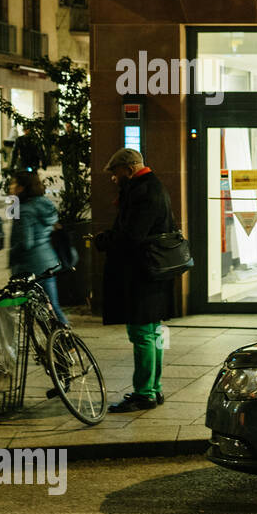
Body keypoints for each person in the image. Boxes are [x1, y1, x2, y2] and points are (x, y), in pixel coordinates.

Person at [95, 148, 178, 413]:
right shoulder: (154, 187)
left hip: (141, 275)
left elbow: (132, 236)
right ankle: (154, 388)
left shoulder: (142, 192)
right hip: (152, 272)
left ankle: (144, 393)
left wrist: (103, 240)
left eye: (115, 172)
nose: (113, 178)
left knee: (142, 333)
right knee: (151, 332)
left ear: (129, 169)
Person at [8, 171, 67, 325]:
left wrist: (11, 253)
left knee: (18, 308)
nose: (10, 187)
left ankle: (62, 343)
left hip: (30, 266)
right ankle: (67, 342)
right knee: (52, 307)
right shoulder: (44, 203)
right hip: (48, 261)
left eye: (13, 183)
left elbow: (26, 243)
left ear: (21, 188)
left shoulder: (24, 209)